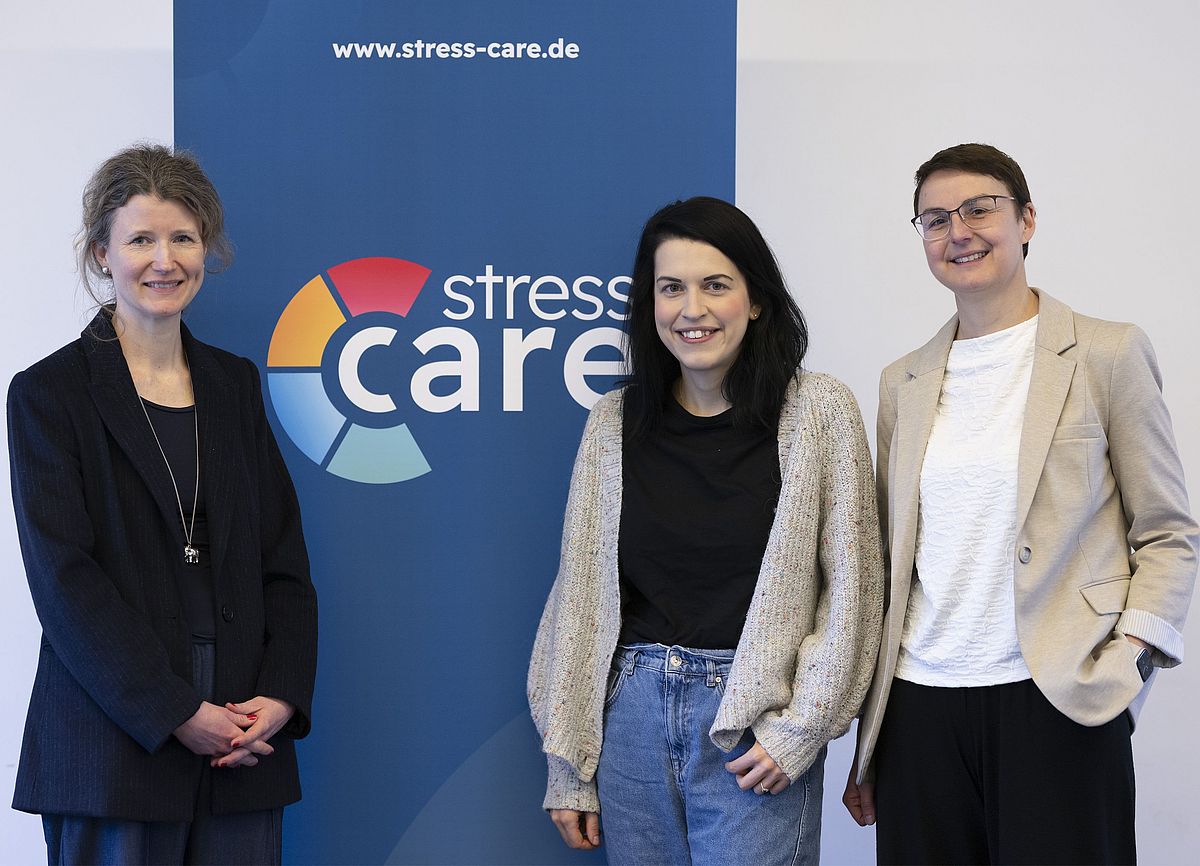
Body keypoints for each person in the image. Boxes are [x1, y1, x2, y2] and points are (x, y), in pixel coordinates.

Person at [842, 143, 1199, 864]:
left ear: (1027, 219)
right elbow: (891, 560)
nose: (958, 231)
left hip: (1058, 697)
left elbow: (1167, 533)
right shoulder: (900, 382)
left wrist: (1127, 661)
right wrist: (869, 735)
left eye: (980, 209)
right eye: (935, 219)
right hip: (920, 705)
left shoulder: (1107, 353)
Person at [528, 196, 884, 865]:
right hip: (629, 719)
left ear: (755, 301)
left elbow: (856, 592)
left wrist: (800, 731)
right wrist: (570, 768)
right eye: (672, 289)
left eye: (715, 285)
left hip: (754, 725)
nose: (692, 309)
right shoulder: (612, 423)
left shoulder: (819, 412)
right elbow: (577, 601)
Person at [7, 144, 318, 865]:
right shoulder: (49, 393)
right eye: (140, 238)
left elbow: (285, 561)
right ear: (101, 255)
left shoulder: (234, 384)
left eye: (182, 237)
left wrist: (279, 696)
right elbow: (65, 582)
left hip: (243, 741)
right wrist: (175, 711)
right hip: (117, 740)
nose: (163, 259)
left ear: (206, 248)